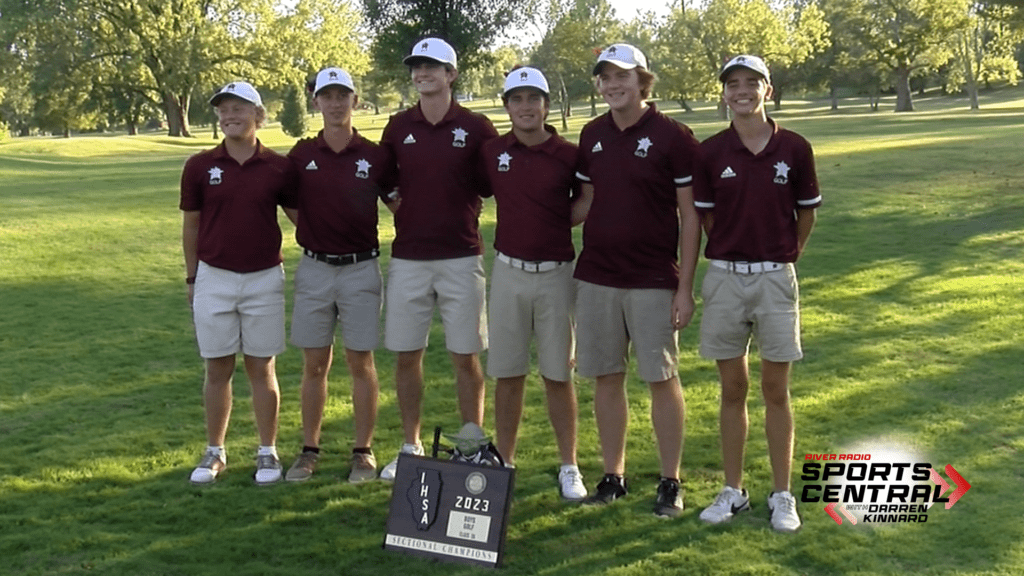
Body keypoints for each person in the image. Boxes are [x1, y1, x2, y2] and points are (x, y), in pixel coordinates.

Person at [693, 55, 821, 532]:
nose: (741, 91)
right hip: (725, 278)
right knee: (733, 388)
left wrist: (787, 254)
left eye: (752, 83)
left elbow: (806, 214)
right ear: (723, 93)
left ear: (768, 90)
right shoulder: (710, 153)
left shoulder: (795, 147)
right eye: (733, 84)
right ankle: (733, 490)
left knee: (775, 389)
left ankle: (782, 494)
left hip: (774, 279)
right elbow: (707, 218)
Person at [573, 44, 701, 517]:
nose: (612, 85)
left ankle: (670, 480)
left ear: (642, 80)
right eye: (605, 78)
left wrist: (684, 287)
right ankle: (614, 475)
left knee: (661, 378)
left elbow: (690, 216)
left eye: (621, 76)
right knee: (606, 378)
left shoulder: (674, 136)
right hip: (596, 277)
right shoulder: (591, 134)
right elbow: (585, 201)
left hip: (652, 278)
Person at [377, 37, 499, 480]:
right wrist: (401, 209)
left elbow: (490, 185)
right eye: (417, 66)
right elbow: (383, 179)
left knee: (465, 355)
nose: (422, 73)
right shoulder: (398, 125)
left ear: (451, 75)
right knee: (407, 355)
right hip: (409, 257)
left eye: (432, 66)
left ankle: (470, 446)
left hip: (462, 257)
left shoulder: (477, 126)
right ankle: (410, 445)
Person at [180, 81, 298, 486]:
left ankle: (267, 452)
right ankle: (215, 450)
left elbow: (302, 219)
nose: (231, 115)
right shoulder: (199, 165)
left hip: (264, 276)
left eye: (240, 108)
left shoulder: (279, 167)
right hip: (214, 276)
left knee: (262, 367)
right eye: (224, 109)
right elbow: (191, 225)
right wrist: (193, 277)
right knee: (217, 367)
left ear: (258, 116)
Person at [284, 67, 397, 484]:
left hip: (361, 268)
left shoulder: (374, 155)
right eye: (326, 95)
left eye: (342, 95)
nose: (334, 103)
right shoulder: (301, 154)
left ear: (355, 100)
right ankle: (309, 450)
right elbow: (290, 204)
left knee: (360, 362)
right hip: (315, 269)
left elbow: (398, 203)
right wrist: (311, 231)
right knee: (314, 365)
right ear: (316, 101)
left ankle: (362, 452)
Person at [481, 66, 589, 500]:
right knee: (507, 373)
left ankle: (569, 465)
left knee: (558, 373)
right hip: (508, 271)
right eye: (517, 99)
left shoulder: (568, 154)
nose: (526, 107)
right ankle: (505, 461)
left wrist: (555, 223)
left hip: (557, 274)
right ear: (507, 106)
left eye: (534, 98)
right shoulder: (491, 152)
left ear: (546, 105)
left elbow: (587, 199)